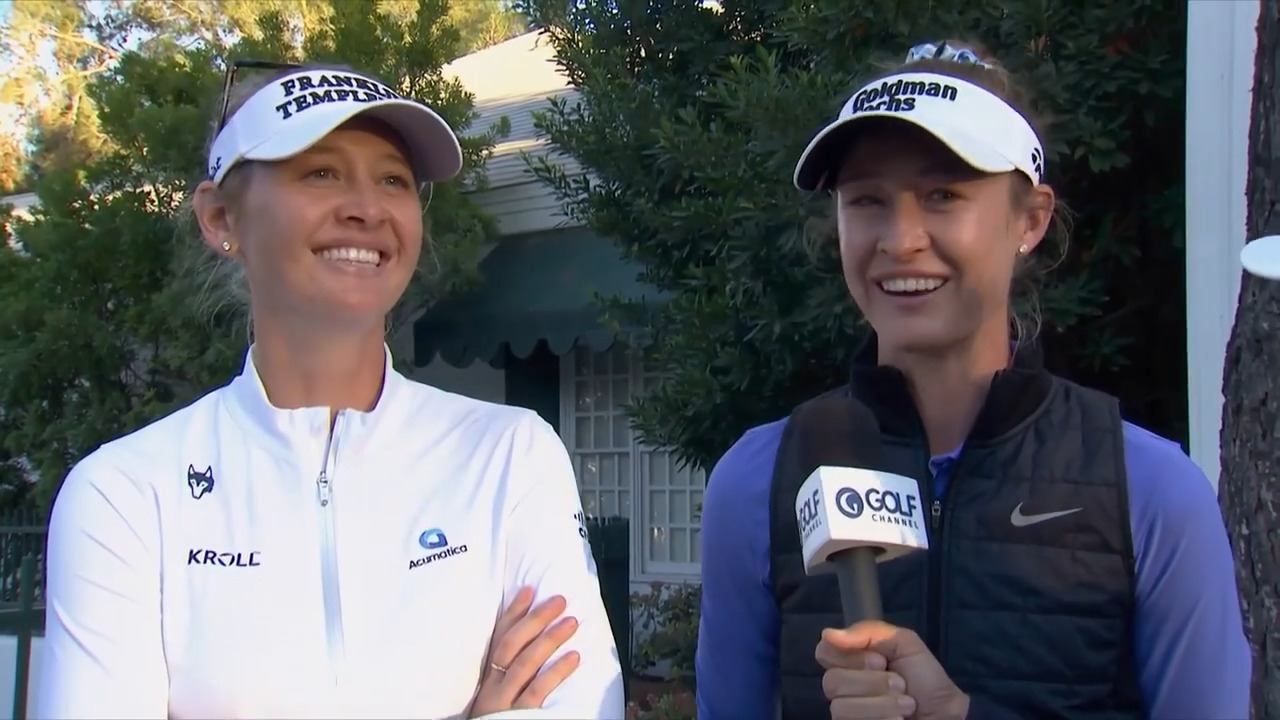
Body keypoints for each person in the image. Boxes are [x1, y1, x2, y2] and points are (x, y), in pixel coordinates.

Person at [36, 60, 625, 720]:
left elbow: (582, 704)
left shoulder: (510, 455)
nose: (367, 208)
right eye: (321, 173)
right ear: (220, 216)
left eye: (393, 180)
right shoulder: (126, 495)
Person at [695, 40, 1251, 720]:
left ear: (1031, 220)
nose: (900, 239)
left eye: (943, 196)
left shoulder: (1154, 492)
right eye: (867, 200)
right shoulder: (754, 483)